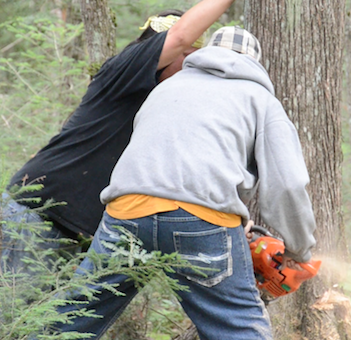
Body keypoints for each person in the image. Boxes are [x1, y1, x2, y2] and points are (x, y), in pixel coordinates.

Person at [0, 0, 236, 310]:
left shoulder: (168, 105)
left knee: (45, 325)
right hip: (42, 212)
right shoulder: (124, 69)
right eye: (186, 56)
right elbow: (179, 37)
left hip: (83, 232)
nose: (190, 66)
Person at [53, 26, 318, 340]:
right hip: (200, 218)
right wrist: (299, 250)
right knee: (238, 326)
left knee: (74, 317)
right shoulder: (260, 99)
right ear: (254, 64)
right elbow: (287, 185)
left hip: (126, 212)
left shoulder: (165, 88)